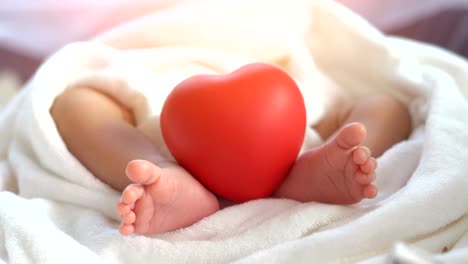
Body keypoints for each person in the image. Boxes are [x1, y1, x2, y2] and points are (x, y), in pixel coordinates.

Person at [50, 75, 411, 236]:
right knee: (76, 102)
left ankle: (319, 163)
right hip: (168, 111)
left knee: (385, 106)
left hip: (285, 121)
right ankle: (162, 172)